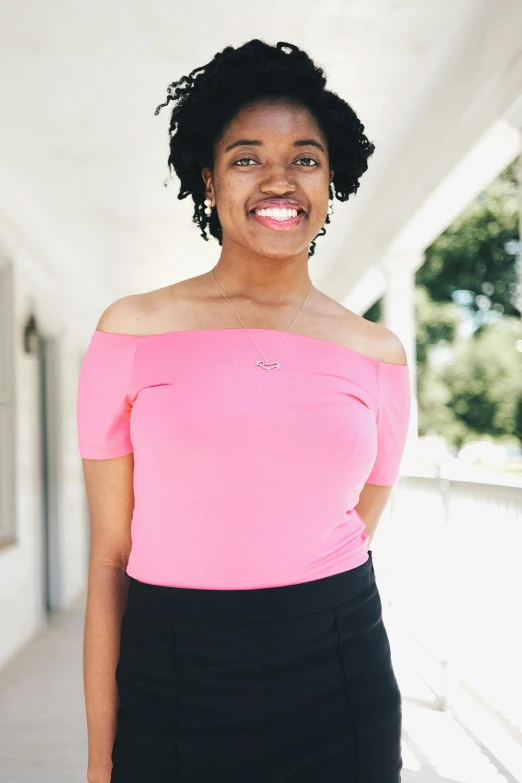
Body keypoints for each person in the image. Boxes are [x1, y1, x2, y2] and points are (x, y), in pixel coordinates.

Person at [77, 39, 411, 783]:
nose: (278, 179)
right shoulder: (130, 332)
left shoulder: (378, 352)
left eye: (305, 157)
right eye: (246, 157)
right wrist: (101, 762)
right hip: (172, 671)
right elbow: (108, 561)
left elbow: (355, 519)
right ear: (207, 180)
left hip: (336, 664)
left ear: (331, 182)